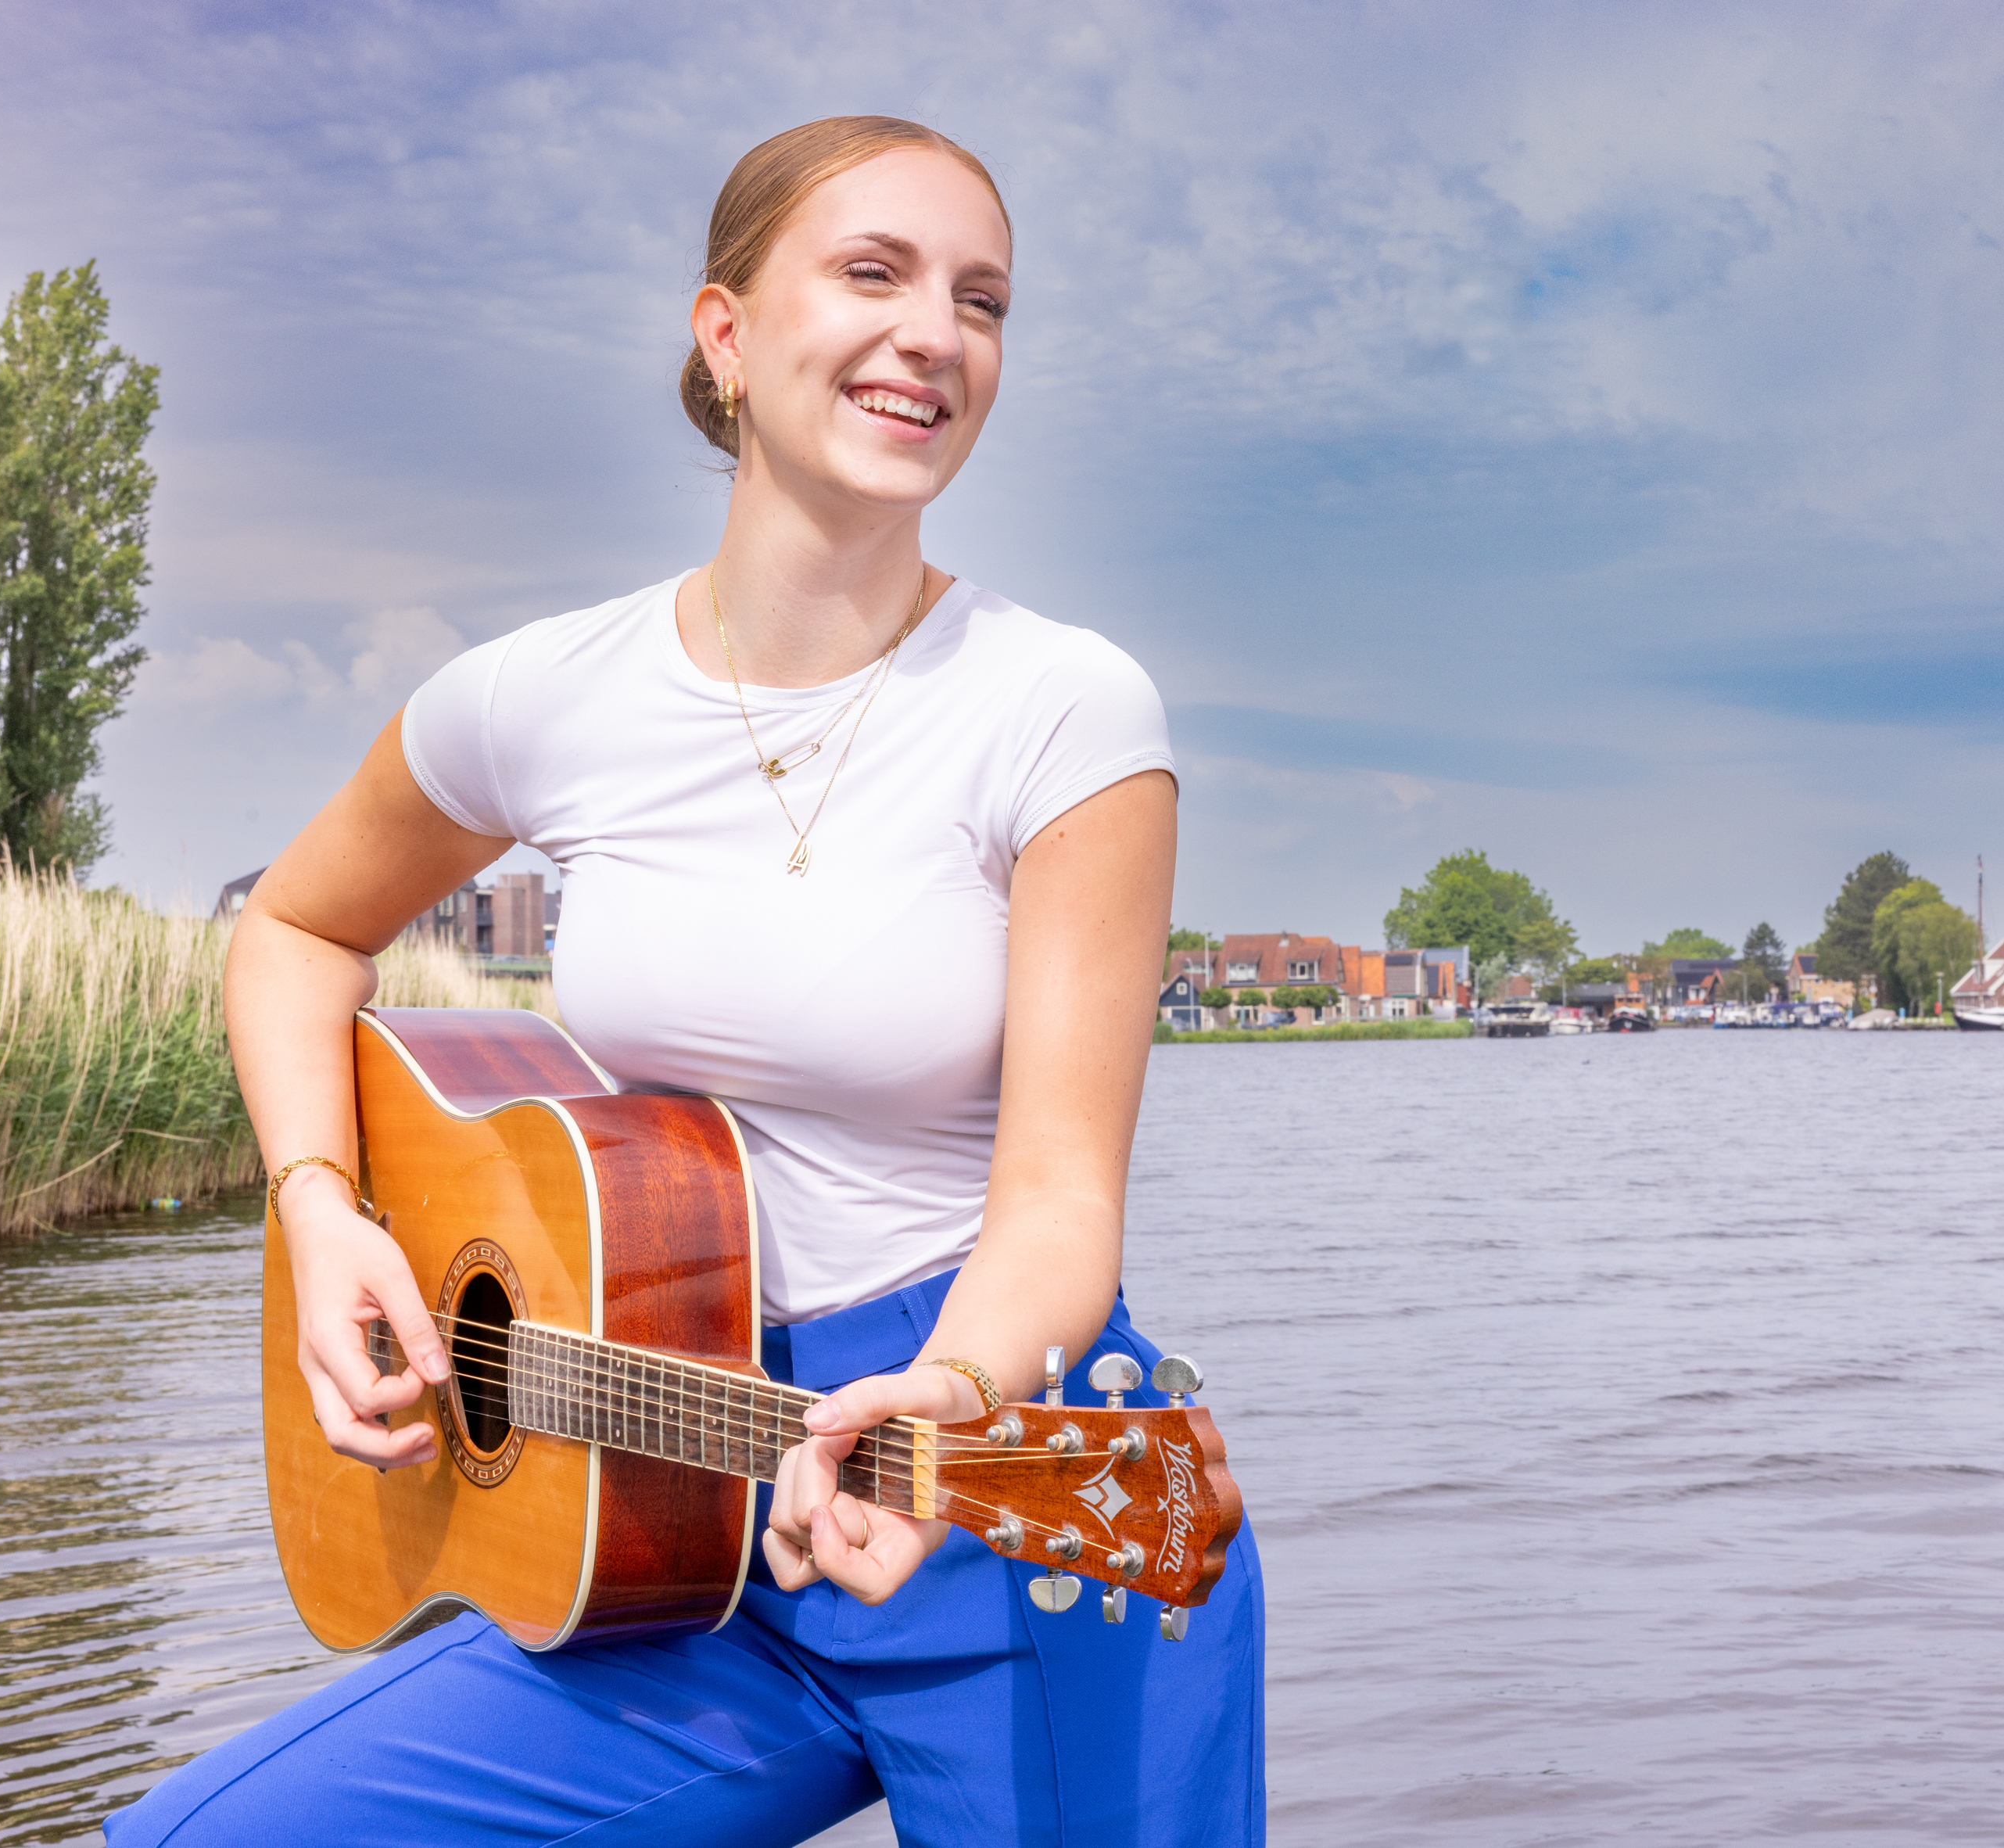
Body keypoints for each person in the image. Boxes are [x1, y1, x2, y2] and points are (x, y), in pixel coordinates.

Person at [108, 116, 1263, 1847]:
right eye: (870, 273)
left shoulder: (1066, 711)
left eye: (982, 300)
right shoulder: (542, 697)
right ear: (722, 333)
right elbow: (293, 929)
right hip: (657, 1524)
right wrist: (321, 1211)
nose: (933, 335)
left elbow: (1056, 1200)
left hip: (998, 1509)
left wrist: (938, 1396)